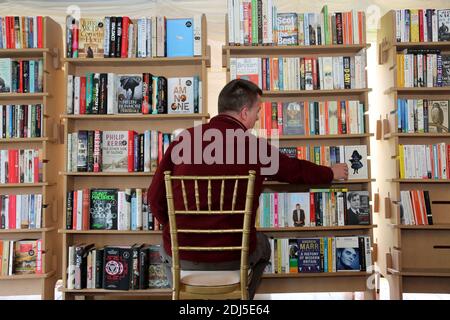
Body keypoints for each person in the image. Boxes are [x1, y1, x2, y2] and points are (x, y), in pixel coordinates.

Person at [148, 79, 349, 299]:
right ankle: (239, 297)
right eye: (257, 111)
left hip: (183, 257)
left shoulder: (184, 140)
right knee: (263, 245)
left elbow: (155, 198)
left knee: (163, 246)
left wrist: (178, 228)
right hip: (233, 257)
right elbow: (295, 170)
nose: (257, 118)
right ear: (244, 113)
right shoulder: (255, 147)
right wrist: (331, 172)